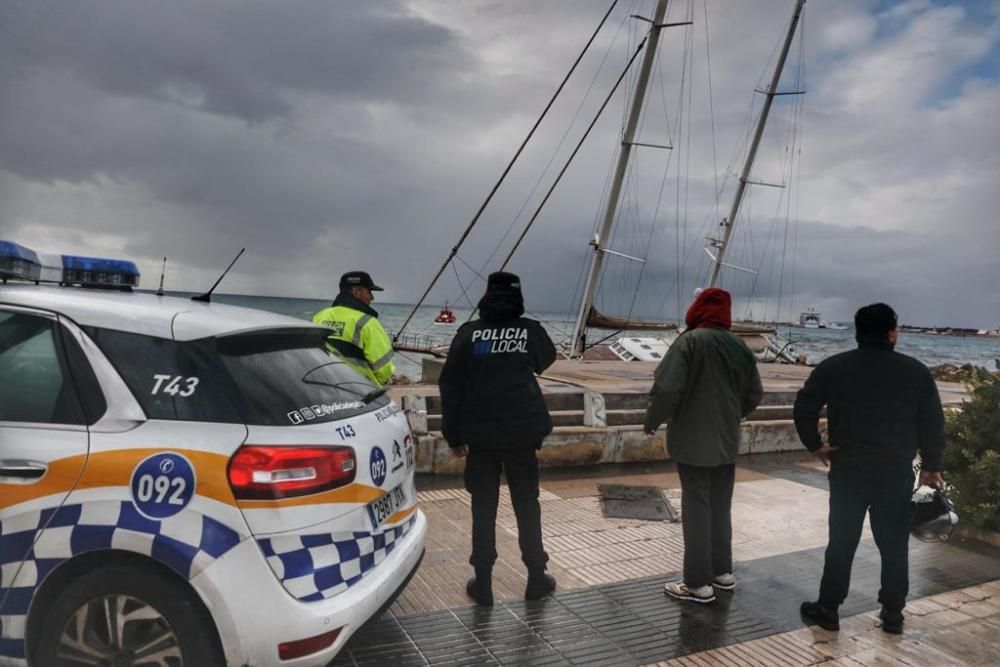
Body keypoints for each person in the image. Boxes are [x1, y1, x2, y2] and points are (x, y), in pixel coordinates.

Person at [795, 302, 945, 635]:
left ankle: (828, 609)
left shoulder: (835, 367)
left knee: (842, 542)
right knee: (893, 545)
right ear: (892, 332)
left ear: (859, 332)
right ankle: (892, 614)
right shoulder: (916, 371)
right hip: (894, 472)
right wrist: (931, 466)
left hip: (848, 470)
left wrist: (815, 445)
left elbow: (804, 405)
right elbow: (933, 423)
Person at [438, 271, 558, 606]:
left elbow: (450, 386)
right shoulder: (530, 331)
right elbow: (545, 360)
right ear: (518, 296)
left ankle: (484, 582)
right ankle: (536, 577)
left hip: (480, 436)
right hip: (522, 433)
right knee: (527, 506)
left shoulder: (468, 334)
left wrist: (453, 435)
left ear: (486, 295)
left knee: (482, 508)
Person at [643, 287, 763, 604]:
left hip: (694, 440)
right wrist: (731, 414)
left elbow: (667, 388)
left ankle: (697, 583)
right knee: (720, 506)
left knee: (696, 507)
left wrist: (652, 420)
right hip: (726, 441)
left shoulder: (690, 341)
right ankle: (722, 572)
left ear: (698, 309)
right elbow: (754, 395)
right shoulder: (740, 346)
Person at [312, 271, 395, 387]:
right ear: (356, 292)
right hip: (360, 391)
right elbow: (384, 370)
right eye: (369, 291)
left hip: (324, 385)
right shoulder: (368, 323)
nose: (372, 297)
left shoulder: (319, 316)